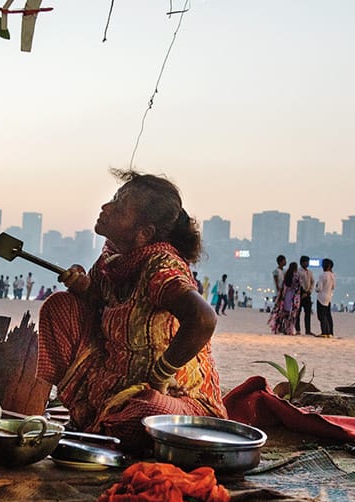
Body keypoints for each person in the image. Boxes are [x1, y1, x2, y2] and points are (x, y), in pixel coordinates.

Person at [36, 169, 226, 454]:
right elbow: (102, 302)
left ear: (143, 233)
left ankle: (106, 427)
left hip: (170, 398)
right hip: (113, 382)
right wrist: (84, 287)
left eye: (120, 207)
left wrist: (162, 373)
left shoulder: (160, 265)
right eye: (114, 199)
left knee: (147, 414)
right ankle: (97, 421)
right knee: (60, 307)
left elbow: (202, 319)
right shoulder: (111, 259)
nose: (106, 208)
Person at [269, 262, 299, 335]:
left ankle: (280, 328)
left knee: (284, 312)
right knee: (291, 314)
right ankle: (289, 329)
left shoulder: (286, 275)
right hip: (293, 297)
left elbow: (283, 286)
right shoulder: (296, 276)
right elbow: (297, 287)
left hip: (285, 296)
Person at [315, 258, 335, 337]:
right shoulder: (333, 275)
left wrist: (316, 287)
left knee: (321, 316)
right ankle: (330, 332)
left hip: (321, 297)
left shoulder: (322, 275)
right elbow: (333, 287)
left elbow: (319, 288)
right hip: (329, 296)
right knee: (328, 315)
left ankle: (324, 332)